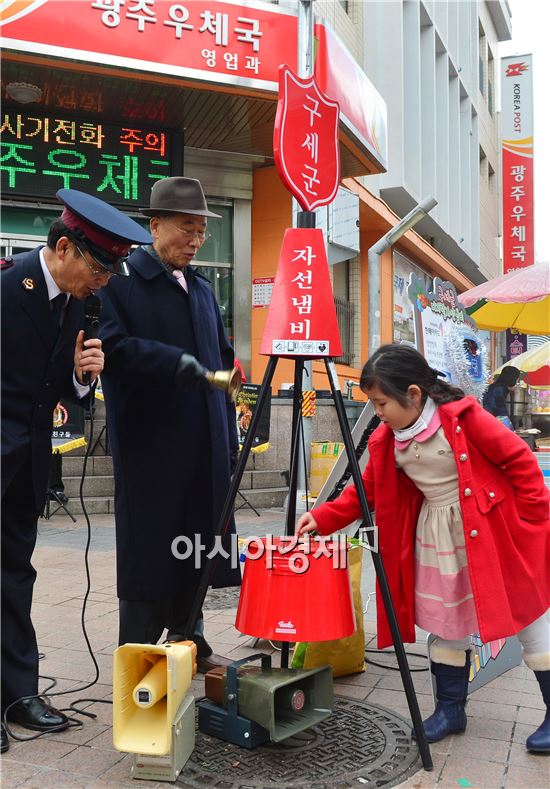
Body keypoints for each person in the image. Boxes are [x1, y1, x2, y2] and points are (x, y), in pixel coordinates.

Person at [297, 343, 550, 752]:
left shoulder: (465, 419)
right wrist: (323, 518)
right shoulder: (387, 439)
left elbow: (520, 460)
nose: (377, 412)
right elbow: (368, 492)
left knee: (528, 620)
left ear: (413, 394)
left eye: (381, 402)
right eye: (372, 403)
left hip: (493, 535)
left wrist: (535, 521)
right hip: (438, 539)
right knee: (446, 623)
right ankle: (450, 711)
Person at [1, 189, 151, 754]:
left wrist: (85, 377)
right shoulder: (8, 286)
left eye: (111, 270)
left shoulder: (74, 304)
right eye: (98, 267)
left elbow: (56, 391)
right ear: (63, 247)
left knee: (15, 576)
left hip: (26, 464)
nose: (105, 280)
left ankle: (18, 694)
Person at [98, 177, 241, 673]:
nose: (196, 240)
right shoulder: (119, 282)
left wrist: (232, 390)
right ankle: (137, 653)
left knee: (200, 543)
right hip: (153, 448)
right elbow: (112, 349)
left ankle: (190, 638)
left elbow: (220, 356)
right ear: (154, 225)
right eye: (187, 228)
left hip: (207, 444)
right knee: (151, 550)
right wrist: (176, 363)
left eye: (202, 231)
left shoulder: (200, 288)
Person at [482, 364, 521, 429]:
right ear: (512, 379)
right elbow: (501, 413)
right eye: (517, 380)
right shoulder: (499, 390)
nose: (517, 383)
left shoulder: (497, 387)